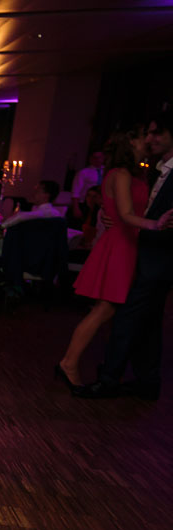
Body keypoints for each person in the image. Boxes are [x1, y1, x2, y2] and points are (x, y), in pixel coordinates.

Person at [74, 111, 173, 400]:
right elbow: (134, 207)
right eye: (148, 133)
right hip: (137, 250)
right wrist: (110, 213)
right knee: (146, 321)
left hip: (160, 257)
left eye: (156, 132)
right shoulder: (152, 170)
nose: (150, 138)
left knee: (126, 316)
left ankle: (108, 379)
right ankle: (147, 380)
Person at [57, 127, 157, 388]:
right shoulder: (121, 174)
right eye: (141, 136)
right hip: (121, 244)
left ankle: (107, 364)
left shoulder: (131, 173)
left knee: (113, 311)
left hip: (128, 241)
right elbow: (125, 214)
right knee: (105, 309)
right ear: (129, 142)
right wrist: (156, 224)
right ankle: (69, 362)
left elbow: (124, 210)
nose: (146, 140)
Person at [0, 180, 64, 305]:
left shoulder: (43, 214)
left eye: (38, 191)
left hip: (25, 261)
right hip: (45, 262)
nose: (34, 193)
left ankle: (10, 288)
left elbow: (20, 217)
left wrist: (2, 227)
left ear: (47, 195)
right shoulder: (57, 216)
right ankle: (14, 287)